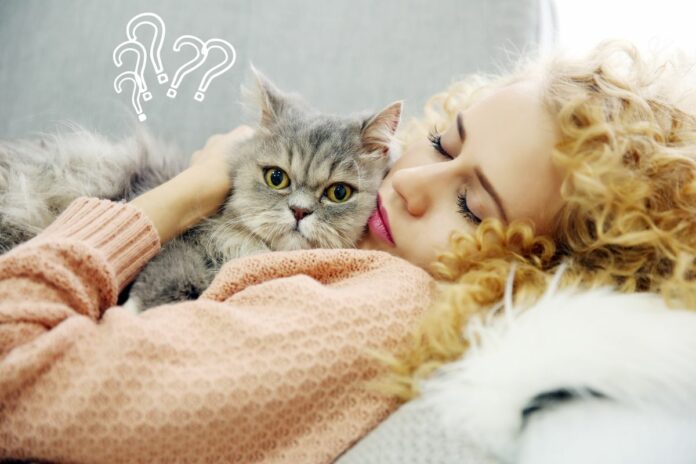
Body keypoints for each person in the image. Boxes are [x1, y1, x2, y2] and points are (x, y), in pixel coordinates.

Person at [1, 39, 695, 463]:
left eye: (470, 205)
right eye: (445, 142)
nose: (411, 181)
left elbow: (17, 374)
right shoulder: (365, 254)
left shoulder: (379, 306)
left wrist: (182, 194)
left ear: (529, 269)